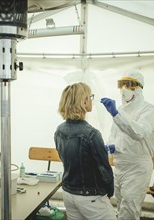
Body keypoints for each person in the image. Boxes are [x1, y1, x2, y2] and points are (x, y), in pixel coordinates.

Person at [101, 71, 154, 220]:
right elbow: (114, 135)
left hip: (137, 167)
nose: (124, 89)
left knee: (129, 211)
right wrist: (111, 146)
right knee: (120, 207)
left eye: (130, 84)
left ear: (139, 88)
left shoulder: (148, 110)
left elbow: (138, 132)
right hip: (120, 165)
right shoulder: (120, 110)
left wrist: (115, 114)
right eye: (121, 84)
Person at [54, 82, 116, 220]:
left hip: (69, 194)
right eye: (90, 96)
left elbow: (64, 158)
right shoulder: (92, 134)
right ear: (83, 102)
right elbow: (104, 169)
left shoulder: (59, 130)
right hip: (91, 197)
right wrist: (109, 192)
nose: (92, 100)